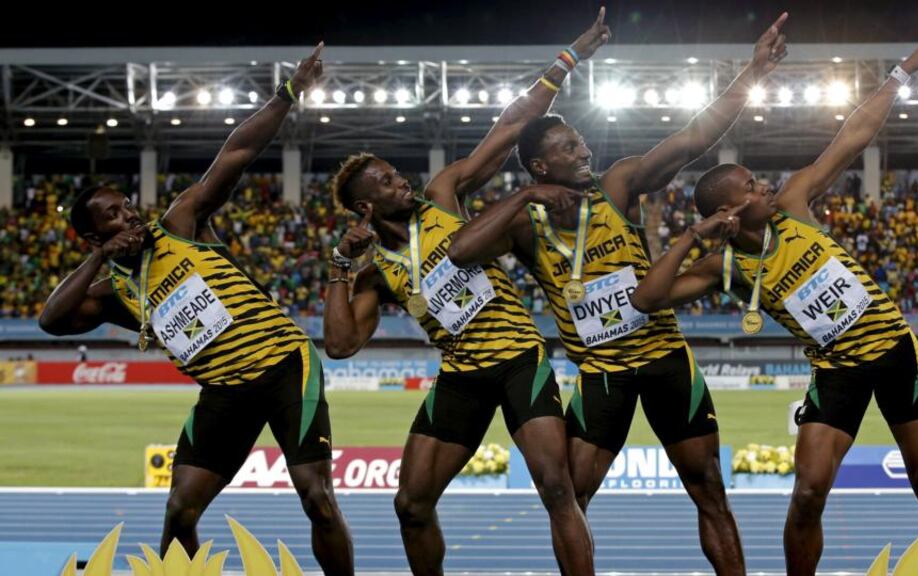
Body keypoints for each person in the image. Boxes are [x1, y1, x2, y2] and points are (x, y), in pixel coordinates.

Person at [447, 14, 790, 573]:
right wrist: (524, 197)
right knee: (571, 497)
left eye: (581, 142)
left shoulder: (618, 184)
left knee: (709, 488)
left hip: (665, 360)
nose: (584, 151)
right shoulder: (524, 223)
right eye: (569, 148)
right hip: (601, 375)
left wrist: (752, 74)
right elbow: (460, 251)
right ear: (540, 166)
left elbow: (693, 138)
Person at [630, 26, 918, 576]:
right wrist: (692, 237)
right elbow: (648, 298)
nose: (764, 186)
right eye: (750, 186)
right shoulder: (724, 267)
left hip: (896, 353)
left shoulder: (793, 204)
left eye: (758, 181)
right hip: (836, 372)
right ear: (728, 212)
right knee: (808, 492)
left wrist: (903, 71)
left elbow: (852, 137)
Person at [38, 44, 354, 576]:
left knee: (317, 497)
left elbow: (236, 153)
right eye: (113, 216)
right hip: (225, 392)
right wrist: (99, 259)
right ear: (94, 236)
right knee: (180, 508)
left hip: (284, 366)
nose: (129, 214)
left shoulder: (180, 223)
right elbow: (51, 321)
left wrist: (289, 92)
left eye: (127, 205)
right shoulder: (116, 293)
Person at [324, 11, 610, 575]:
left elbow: (512, 123)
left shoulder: (443, 195)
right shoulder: (376, 271)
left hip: (518, 360)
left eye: (396, 172)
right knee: (410, 505)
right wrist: (339, 266)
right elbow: (339, 345)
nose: (401, 180)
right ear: (365, 206)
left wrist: (569, 58)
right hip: (461, 377)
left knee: (558, 488)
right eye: (387, 181)